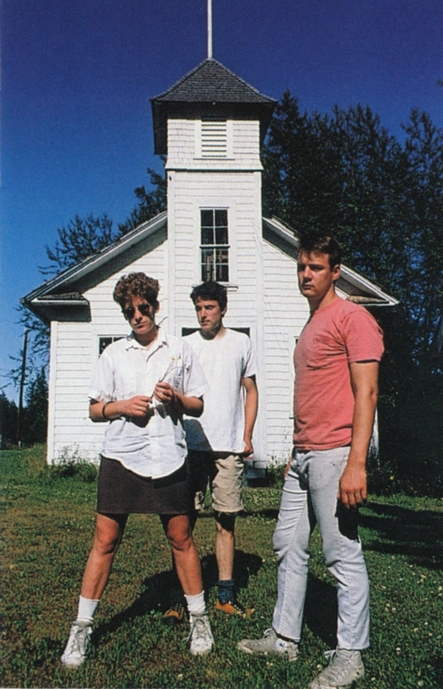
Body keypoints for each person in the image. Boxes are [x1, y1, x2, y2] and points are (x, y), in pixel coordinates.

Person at [238, 234, 384, 689]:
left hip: (336, 454)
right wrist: (295, 452)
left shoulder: (353, 318)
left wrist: (356, 463)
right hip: (303, 456)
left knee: (341, 554)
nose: (306, 274)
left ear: (335, 272)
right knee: (287, 544)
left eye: (316, 267)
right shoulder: (310, 327)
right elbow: (313, 395)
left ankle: (350, 656)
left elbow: (367, 393)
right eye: (301, 266)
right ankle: (285, 638)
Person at [61, 273, 214, 668]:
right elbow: (95, 410)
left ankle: (199, 619)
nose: (137, 316)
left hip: (169, 457)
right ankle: (82, 627)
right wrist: (121, 407)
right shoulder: (113, 354)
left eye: (143, 309)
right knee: (105, 541)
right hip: (121, 457)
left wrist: (176, 398)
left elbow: (198, 405)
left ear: (155, 306)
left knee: (181, 538)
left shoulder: (179, 349)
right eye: (129, 311)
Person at [163, 281, 258, 625]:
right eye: (199, 308)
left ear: (223, 309)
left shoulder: (241, 343)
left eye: (209, 308)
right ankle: (180, 598)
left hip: (228, 446)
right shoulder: (184, 345)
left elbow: (250, 390)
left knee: (225, 521)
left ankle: (225, 596)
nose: (203, 314)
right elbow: (175, 394)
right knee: (182, 523)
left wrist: (246, 436)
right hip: (190, 446)